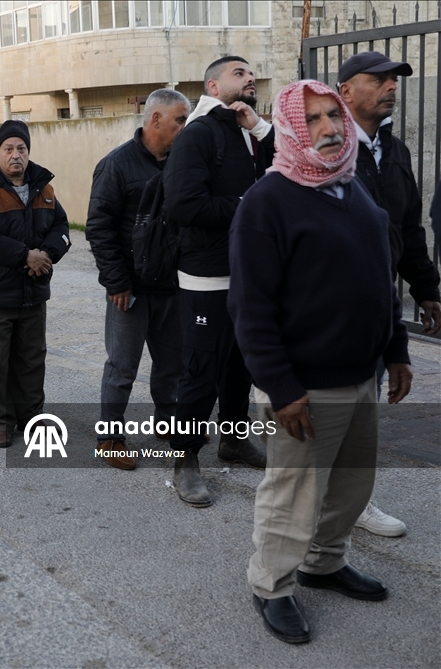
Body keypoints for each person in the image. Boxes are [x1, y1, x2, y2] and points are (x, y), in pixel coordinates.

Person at [229, 79, 412, 645]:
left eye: (334, 115)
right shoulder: (268, 201)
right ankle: (272, 585)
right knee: (293, 492)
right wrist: (281, 388)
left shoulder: (353, 189)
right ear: (288, 128)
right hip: (304, 388)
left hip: (362, 377)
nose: (330, 128)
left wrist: (396, 347)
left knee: (351, 487)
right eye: (313, 120)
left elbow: (381, 278)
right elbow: (250, 308)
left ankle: (325, 563)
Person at [336, 51, 441, 538]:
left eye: (393, 80)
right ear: (345, 91)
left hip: (379, 304)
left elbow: (408, 227)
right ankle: (311, 507)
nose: (390, 87)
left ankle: (353, 502)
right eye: (376, 80)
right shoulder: (325, 149)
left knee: (365, 407)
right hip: (330, 309)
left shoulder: (393, 150)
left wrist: (426, 290)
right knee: (326, 411)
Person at [161, 56, 274, 506]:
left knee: (240, 365)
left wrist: (261, 127)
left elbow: (287, 169)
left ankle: (233, 439)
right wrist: (247, 205)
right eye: (239, 74)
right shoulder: (199, 134)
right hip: (206, 273)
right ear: (213, 85)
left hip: (247, 273)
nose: (250, 80)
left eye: (252, 75)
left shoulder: (247, 131)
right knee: (201, 369)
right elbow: (184, 205)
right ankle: (185, 457)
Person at [86, 89, 191, 469]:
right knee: (122, 367)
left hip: (173, 286)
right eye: (179, 120)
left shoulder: (182, 163)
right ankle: (109, 437)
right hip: (129, 289)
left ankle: (168, 424)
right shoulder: (117, 165)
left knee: (172, 364)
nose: (184, 127)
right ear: (156, 120)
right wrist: (116, 283)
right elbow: (99, 228)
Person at [0, 120, 70, 447]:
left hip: (33, 292)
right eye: (8, 149)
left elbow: (61, 227)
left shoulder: (45, 190)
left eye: (21, 148)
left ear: (28, 152)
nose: (15, 155)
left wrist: (46, 255)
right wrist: (26, 256)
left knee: (32, 359)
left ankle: (31, 417)